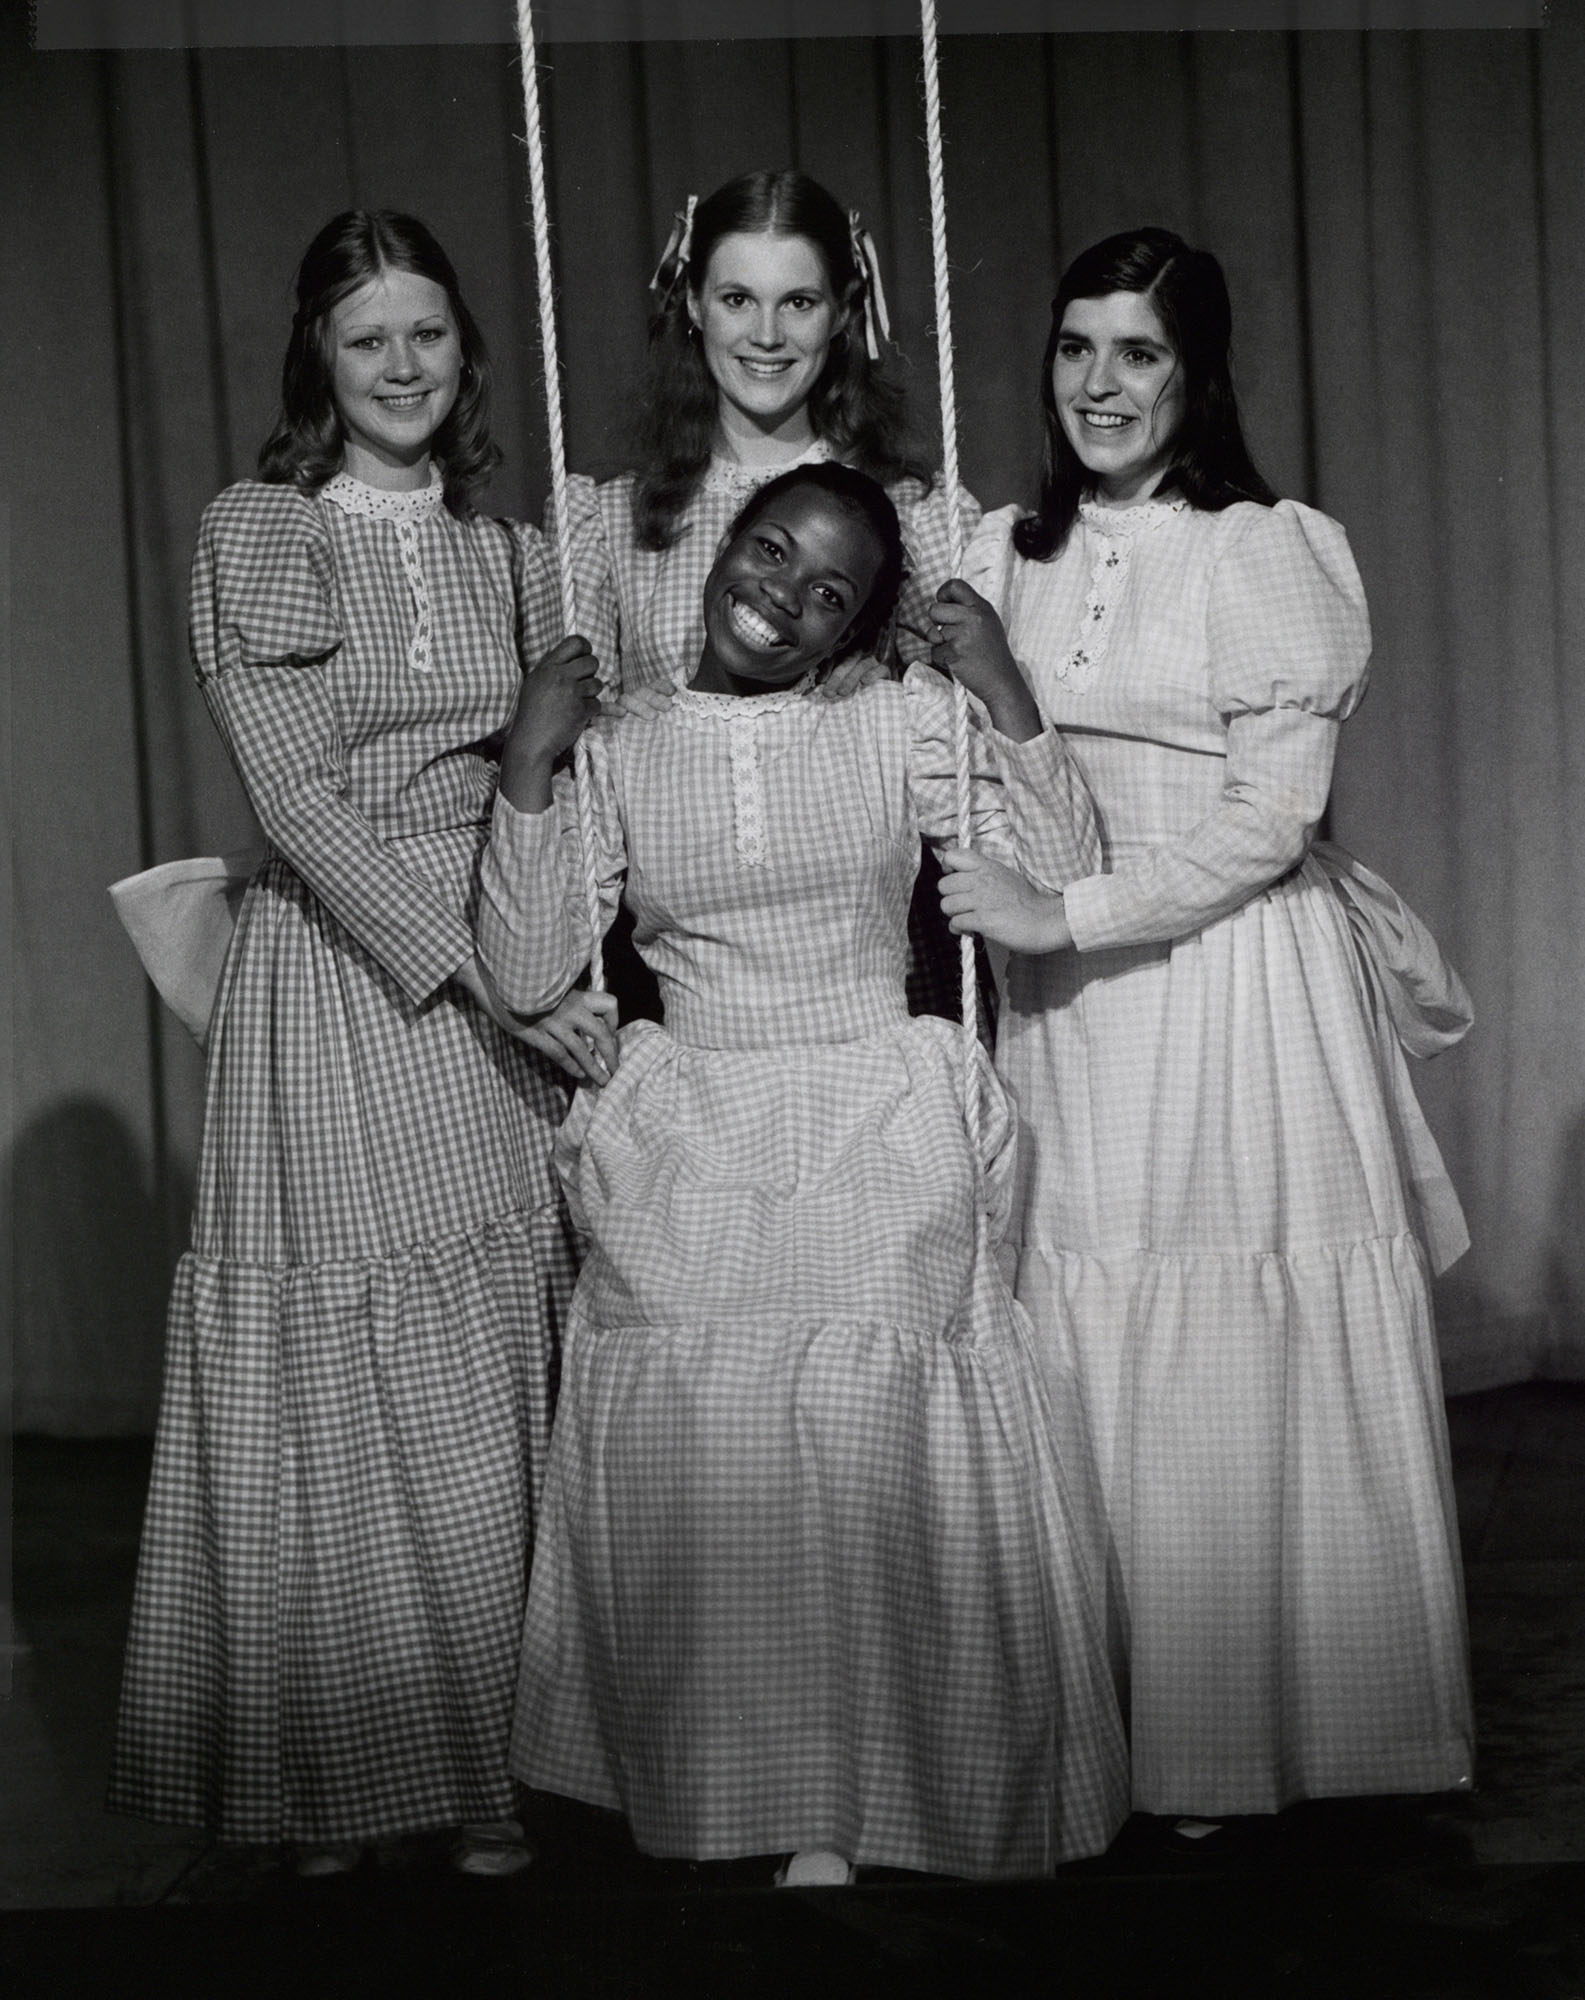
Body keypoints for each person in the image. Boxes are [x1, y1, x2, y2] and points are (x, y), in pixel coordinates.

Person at [476, 462, 1129, 1881]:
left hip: (868, 1095)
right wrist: (528, 764)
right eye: (769, 553)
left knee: (859, 1376)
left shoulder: (898, 720)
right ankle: (732, 1776)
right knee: (702, 1394)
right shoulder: (622, 742)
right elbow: (528, 970)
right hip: (697, 1105)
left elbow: (1066, 873)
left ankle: (864, 1785)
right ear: (727, 545)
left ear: (855, 626)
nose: (779, 600)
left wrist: (1002, 688)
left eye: (827, 592)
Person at [933, 227, 1475, 1819]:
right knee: (1081, 1321)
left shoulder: (1261, 550)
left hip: (1230, 983)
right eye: (1076, 348)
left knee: (1219, 1337)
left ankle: (1235, 1737)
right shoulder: (998, 549)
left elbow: (1266, 820)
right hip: (1066, 1007)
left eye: (1140, 354)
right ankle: (1111, 1723)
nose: (1100, 385)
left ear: (1198, 374)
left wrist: (1070, 913)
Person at [108, 211, 617, 1876]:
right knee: (357, 1361)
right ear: (316, 361)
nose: (404, 367)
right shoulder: (265, 533)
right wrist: (480, 976)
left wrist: (536, 954)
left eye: (429, 334)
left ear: (469, 349)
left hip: (502, 948)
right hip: (350, 977)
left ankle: (494, 1773)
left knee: (492, 1363)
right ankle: (334, 1774)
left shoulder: (511, 552)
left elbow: (561, 770)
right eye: (366, 339)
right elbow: (300, 804)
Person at [561, 166, 981, 1023]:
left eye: (798, 302)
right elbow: (578, 754)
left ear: (843, 311)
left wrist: (887, 687)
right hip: (682, 972)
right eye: (736, 299)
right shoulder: (609, 520)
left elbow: (969, 742)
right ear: (692, 304)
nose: (765, 335)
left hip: (864, 970)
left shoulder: (909, 513)